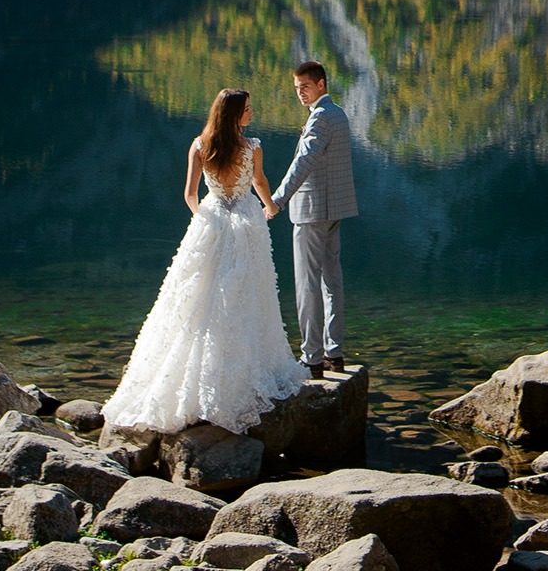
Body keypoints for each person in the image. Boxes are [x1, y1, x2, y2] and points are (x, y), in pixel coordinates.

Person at [102, 88, 303, 435]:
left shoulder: (199, 145)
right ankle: (237, 376)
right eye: (247, 109)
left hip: (210, 222)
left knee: (194, 298)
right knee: (245, 295)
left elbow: (190, 194)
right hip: (244, 222)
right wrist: (270, 207)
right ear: (234, 114)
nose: (251, 113)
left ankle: (186, 385)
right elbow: (259, 182)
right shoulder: (252, 147)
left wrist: (206, 220)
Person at [271, 58, 358, 377]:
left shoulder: (320, 117)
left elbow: (304, 162)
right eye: (297, 89)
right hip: (335, 208)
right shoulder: (338, 114)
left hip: (311, 211)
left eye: (305, 87)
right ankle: (334, 352)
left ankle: (311, 356)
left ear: (321, 84)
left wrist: (277, 199)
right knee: (331, 280)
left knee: (307, 283)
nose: (300, 94)